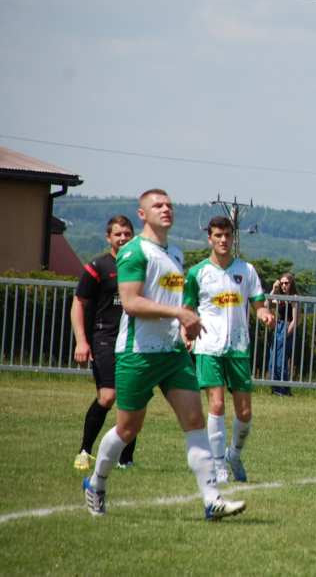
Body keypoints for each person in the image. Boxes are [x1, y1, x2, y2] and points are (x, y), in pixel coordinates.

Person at [82, 188, 246, 521]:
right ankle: (96, 483)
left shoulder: (175, 252)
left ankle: (212, 499)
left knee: (195, 420)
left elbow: (174, 301)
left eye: (169, 204)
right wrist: (178, 315)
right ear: (142, 214)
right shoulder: (133, 252)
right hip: (138, 354)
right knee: (128, 428)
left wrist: (186, 322)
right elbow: (130, 302)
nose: (166, 209)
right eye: (157, 205)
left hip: (171, 353)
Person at [183, 216, 275, 484]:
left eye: (227, 235)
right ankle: (219, 464)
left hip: (238, 347)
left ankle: (234, 454)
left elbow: (259, 304)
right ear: (209, 238)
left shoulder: (246, 270)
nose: (223, 240)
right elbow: (188, 308)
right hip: (208, 346)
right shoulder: (197, 272)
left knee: (244, 413)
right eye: (218, 235)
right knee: (217, 403)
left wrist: (265, 315)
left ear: (233, 238)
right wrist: (185, 332)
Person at [72, 216, 138, 471]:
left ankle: (126, 459)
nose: (123, 238)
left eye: (127, 234)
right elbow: (79, 303)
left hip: (134, 340)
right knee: (108, 396)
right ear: (108, 238)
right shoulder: (98, 266)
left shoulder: (140, 265)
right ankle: (85, 450)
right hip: (105, 338)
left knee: (132, 398)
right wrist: (81, 341)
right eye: (118, 234)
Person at [267, 272, 300, 396]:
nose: (284, 286)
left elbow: (295, 319)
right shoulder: (280, 297)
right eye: (282, 283)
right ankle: (275, 389)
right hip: (278, 326)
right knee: (272, 359)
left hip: (287, 327)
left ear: (291, 284)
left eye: (286, 283)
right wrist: (274, 290)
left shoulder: (294, 297)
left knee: (281, 361)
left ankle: (283, 390)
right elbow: (267, 304)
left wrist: (286, 334)